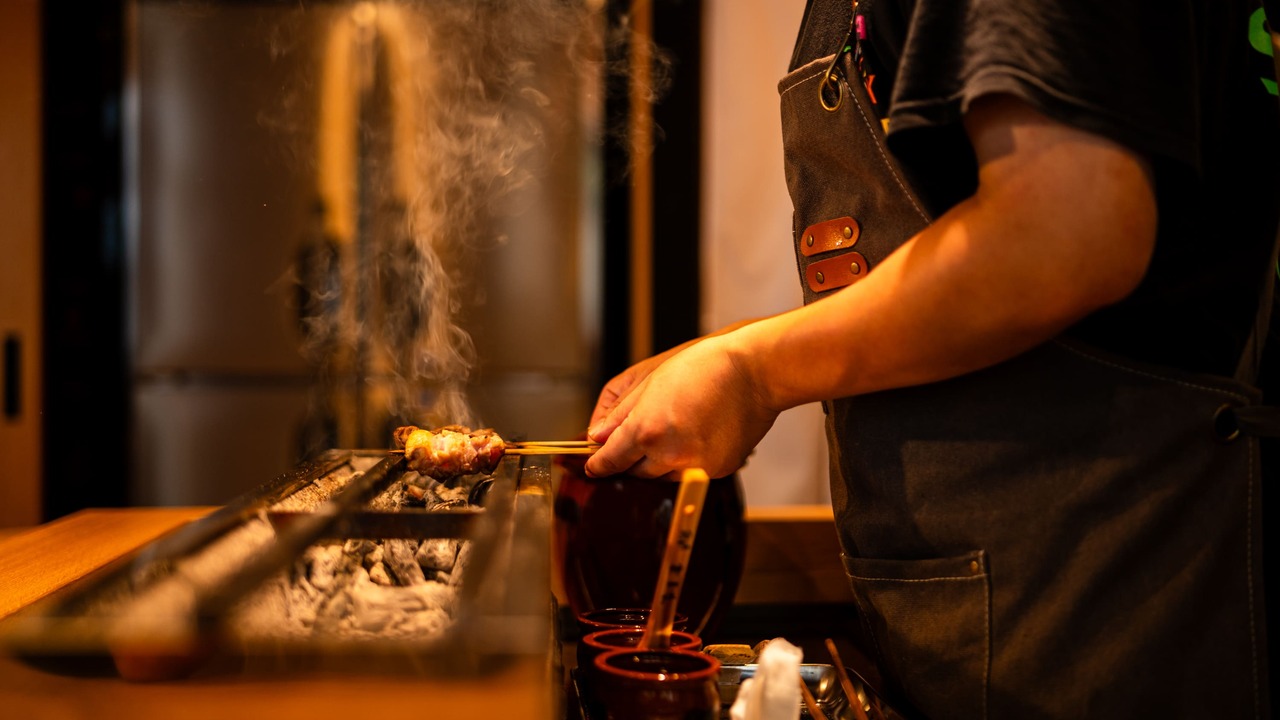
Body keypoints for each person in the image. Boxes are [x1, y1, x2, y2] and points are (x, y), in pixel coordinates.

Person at [583, 1, 1278, 718]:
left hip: (1113, 594)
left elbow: (1067, 229)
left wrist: (755, 372)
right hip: (997, 605)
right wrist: (729, 354)